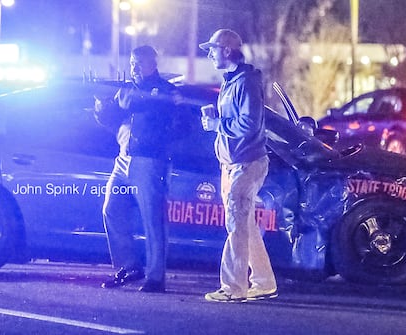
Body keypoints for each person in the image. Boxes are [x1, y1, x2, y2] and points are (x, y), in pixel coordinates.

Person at [199, 29, 278, 302]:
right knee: (244, 224)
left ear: (227, 50)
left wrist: (216, 124)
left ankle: (233, 288)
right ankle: (264, 282)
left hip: (245, 163)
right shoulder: (234, 80)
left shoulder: (245, 82)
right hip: (233, 163)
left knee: (236, 223)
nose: (209, 54)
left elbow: (249, 123)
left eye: (212, 49)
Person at [94, 45, 179, 293]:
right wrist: (101, 103)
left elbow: (152, 109)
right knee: (112, 208)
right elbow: (109, 119)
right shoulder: (127, 89)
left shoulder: (163, 90)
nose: (134, 68)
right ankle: (128, 266)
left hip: (150, 161)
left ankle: (155, 277)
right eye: (132, 63)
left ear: (153, 64)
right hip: (123, 158)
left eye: (139, 63)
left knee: (153, 220)